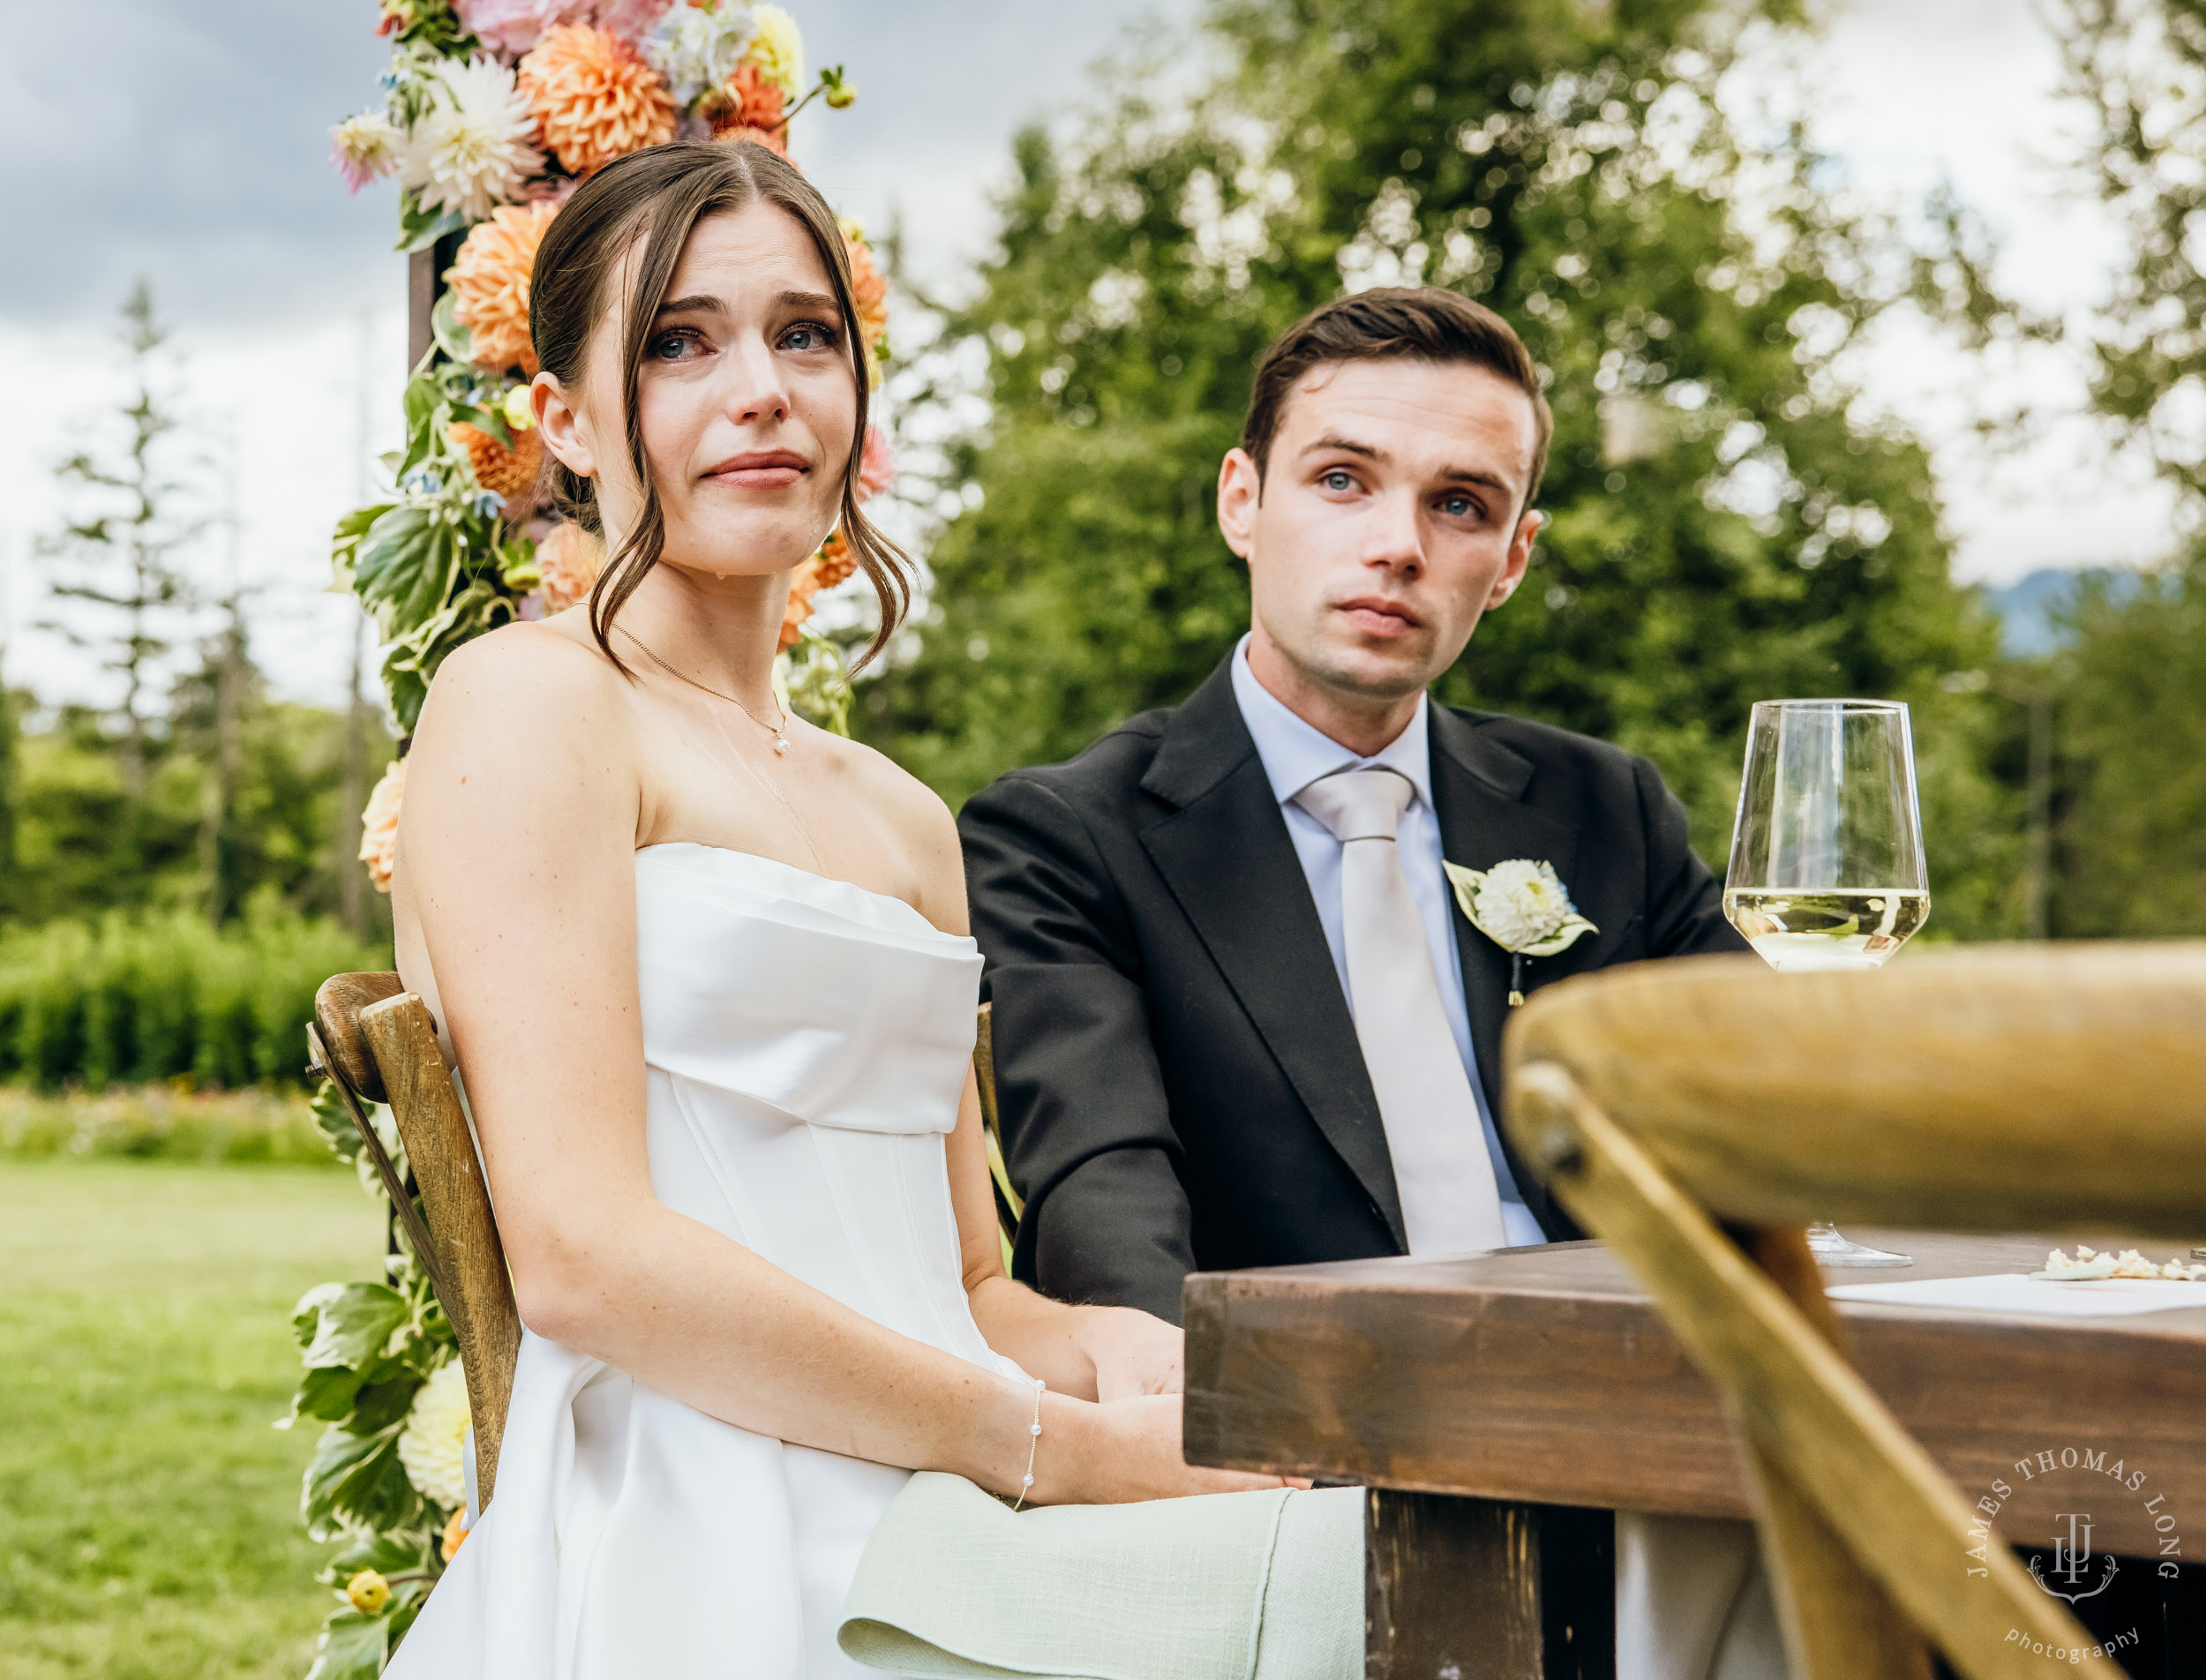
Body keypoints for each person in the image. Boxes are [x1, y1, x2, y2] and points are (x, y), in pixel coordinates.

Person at [384, 139, 1362, 1680]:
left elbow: (968, 1284)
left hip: (945, 1465)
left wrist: (1126, 1361)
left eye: (806, 335)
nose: (761, 386)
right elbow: (578, 1250)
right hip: (702, 1500)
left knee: (1471, 1531)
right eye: (678, 343)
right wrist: (1040, 1445)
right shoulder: (529, 710)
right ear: (564, 421)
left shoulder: (899, 815)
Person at [957, 288, 1782, 1676]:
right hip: (1324, 1472)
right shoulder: (1066, 836)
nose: (1397, 546)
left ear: (1513, 559)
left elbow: (1770, 1112)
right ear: (1243, 501)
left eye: (1461, 506)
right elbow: (1107, 1203)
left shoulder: (1602, 811)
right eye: (1343, 480)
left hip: (1652, 1437)